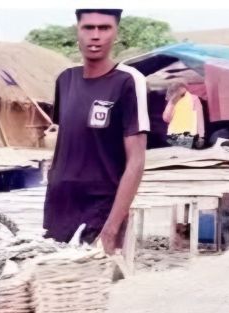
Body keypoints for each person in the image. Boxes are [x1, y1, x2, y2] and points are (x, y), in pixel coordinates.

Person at [43, 8, 148, 254]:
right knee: (56, 276)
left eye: (105, 28)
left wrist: (112, 227)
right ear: (77, 32)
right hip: (59, 206)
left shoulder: (127, 81)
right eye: (89, 27)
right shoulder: (65, 80)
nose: (96, 35)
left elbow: (136, 160)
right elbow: (67, 140)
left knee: (97, 276)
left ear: (116, 33)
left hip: (101, 207)